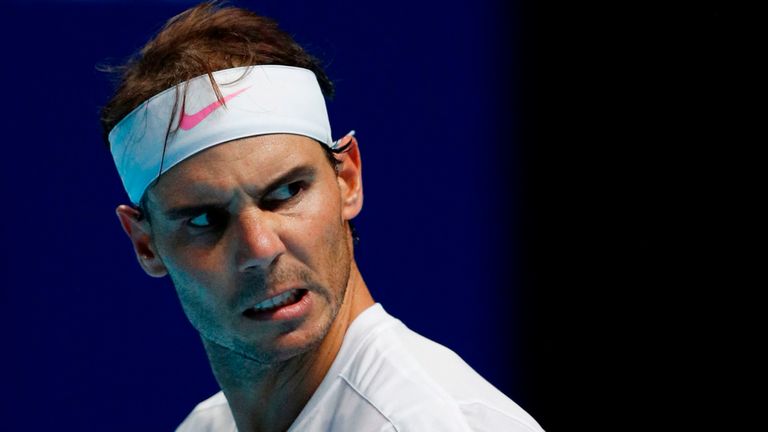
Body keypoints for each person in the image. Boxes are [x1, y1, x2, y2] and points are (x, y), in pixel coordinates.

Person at [100, 3, 544, 431]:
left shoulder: (431, 423)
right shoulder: (204, 426)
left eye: (287, 192)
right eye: (204, 220)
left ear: (347, 180)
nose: (260, 248)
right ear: (146, 243)